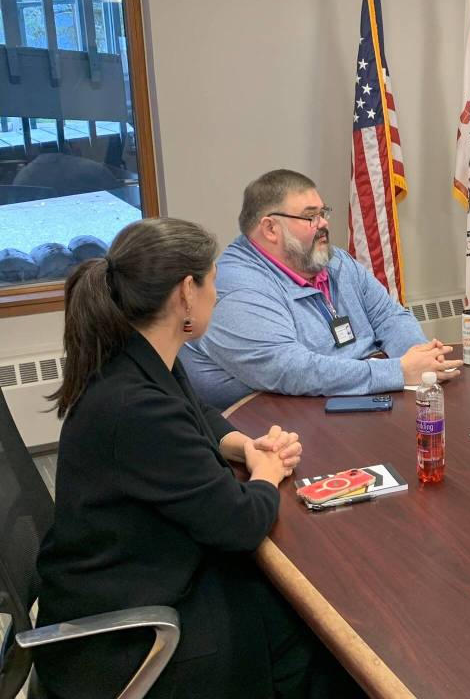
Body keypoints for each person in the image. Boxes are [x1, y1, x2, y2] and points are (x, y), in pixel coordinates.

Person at [34, 218, 360, 698]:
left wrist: (245, 447)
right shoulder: (137, 408)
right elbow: (240, 523)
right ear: (186, 293)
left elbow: (199, 416)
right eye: (213, 283)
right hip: (124, 638)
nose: (219, 296)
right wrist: (267, 474)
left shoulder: (136, 358)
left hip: (130, 576)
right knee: (321, 648)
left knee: (306, 610)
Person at [181, 169, 461, 409]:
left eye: (323, 213)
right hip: (270, 427)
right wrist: (398, 371)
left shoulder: (333, 259)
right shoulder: (237, 287)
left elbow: (390, 316)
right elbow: (292, 370)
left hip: (347, 400)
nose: (324, 223)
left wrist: (421, 360)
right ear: (270, 229)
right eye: (310, 217)